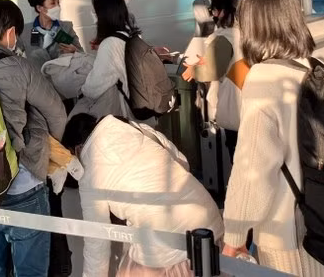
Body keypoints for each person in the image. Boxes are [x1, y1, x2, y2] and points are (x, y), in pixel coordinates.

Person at [221, 0, 324, 276]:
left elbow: (253, 166)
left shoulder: (264, 77)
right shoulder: (320, 66)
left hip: (288, 227)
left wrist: (236, 234)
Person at [0, 0, 67, 277]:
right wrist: (45, 150)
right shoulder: (19, 67)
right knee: (30, 269)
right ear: (10, 33)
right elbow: (57, 114)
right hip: (22, 183)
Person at [62, 113, 224, 277]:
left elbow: (97, 243)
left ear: (77, 149)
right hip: (209, 222)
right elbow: (182, 162)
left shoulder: (88, 175)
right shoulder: (134, 128)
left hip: (168, 248)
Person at [182, 0, 243, 161]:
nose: (213, 15)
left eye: (214, 11)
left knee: (235, 154)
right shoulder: (243, 33)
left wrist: (193, 71)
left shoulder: (225, 36)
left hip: (232, 102)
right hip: (245, 98)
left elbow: (212, 71)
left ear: (222, 12)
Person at [79, 0, 132, 120]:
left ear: (103, 14)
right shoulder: (128, 35)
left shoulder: (110, 44)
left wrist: (81, 88)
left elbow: (94, 88)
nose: (92, 14)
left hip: (126, 114)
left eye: (94, 10)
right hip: (141, 109)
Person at [21, 0, 82, 69]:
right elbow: (16, 57)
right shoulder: (25, 30)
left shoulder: (66, 27)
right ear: (39, 8)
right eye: (53, 3)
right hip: (37, 79)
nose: (58, 7)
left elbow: (82, 54)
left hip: (63, 78)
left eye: (58, 4)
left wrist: (75, 51)